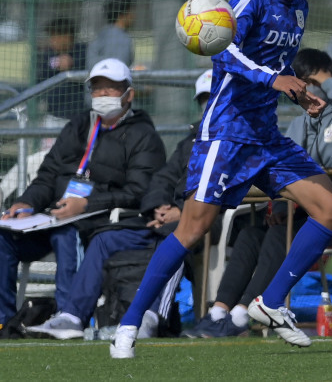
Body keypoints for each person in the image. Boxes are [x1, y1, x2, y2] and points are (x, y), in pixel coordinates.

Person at [109, 0, 332, 359]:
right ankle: (127, 325)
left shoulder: (300, 7)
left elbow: (275, 66)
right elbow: (227, 52)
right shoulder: (250, 0)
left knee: (331, 209)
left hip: (266, 138)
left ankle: (270, 304)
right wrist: (273, 80)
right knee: (192, 229)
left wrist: (299, 94)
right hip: (227, 135)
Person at [182, 48, 332, 338]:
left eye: (303, 82)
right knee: (251, 233)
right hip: (307, 215)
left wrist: (325, 80)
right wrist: (282, 207)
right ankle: (218, 312)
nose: (298, 90)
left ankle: (242, 316)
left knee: (279, 235)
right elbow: (288, 172)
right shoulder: (299, 124)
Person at [24, 70, 215, 340]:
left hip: (197, 221)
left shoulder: (234, 143)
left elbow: (220, 187)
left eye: (215, 98)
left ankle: (151, 317)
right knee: (104, 238)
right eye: (204, 99)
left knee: (177, 240)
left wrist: (182, 211)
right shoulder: (190, 142)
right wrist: (158, 206)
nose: (209, 105)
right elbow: (161, 178)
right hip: (157, 219)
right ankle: (72, 316)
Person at [0, 58, 166, 330]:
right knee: (4, 237)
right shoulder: (78, 125)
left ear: (129, 94)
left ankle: (68, 317)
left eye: (110, 88)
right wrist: (26, 202)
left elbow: (139, 191)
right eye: (96, 88)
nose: (102, 95)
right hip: (52, 216)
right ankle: (4, 320)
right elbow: (48, 174)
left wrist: (86, 205)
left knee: (68, 234)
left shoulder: (143, 136)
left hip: (96, 221)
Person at [36, 17, 88, 150]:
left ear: (66, 37)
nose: (52, 40)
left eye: (55, 36)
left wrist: (72, 64)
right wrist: (57, 63)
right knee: (47, 156)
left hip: (78, 118)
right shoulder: (48, 54)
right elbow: (41, 75)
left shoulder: (83, 52)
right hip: (53, 117)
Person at [86, 0, 136, 70]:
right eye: (131, 12)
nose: (134, 16)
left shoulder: (105, 33)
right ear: (122, 14)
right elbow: (117, 68)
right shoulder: (118, 37)